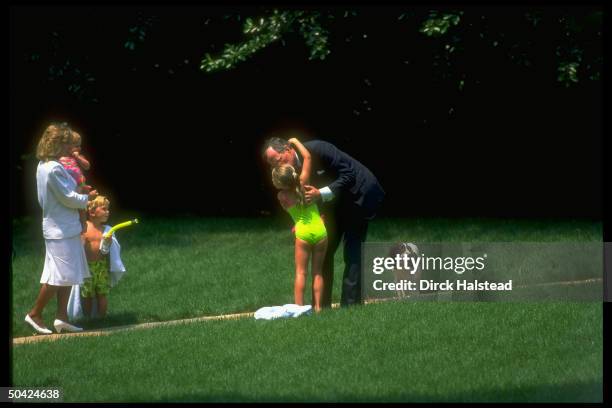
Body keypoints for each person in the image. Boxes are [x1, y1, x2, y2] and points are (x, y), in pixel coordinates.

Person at [263, 136, 385, 307]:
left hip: (359, 195)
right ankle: (320, 308)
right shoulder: (291, 173)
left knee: (353, 251)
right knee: (324, 253)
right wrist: (301, 221)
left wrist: (320, 194)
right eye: (272, 165)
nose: (277, 166)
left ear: (288, 150)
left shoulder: (319, 149)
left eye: (278, 160)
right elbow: (305, 199)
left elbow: (349, 174)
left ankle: (351, 306)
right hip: (334, 203)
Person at [25, 122, 98, 334]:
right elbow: (67, 198)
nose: (70, 148)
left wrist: (79, 192)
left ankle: (61, 317)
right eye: (66, 143)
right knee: (58, 276)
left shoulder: (46, 165)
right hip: (60, 230)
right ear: (57, 144)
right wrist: (88, 199)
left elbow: (64, 193)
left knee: (67, 273)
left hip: (64, 227)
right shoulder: (53, 168)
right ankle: (35, 314)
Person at [271, 138, 327, 312]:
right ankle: (318, 308)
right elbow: (307, 157)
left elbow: (295, 212)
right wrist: (294, 141)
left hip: (302, 233)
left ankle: (299, 309)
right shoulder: (304, 181)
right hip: (320, 230)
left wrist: (297, 224)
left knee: (301, 273)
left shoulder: (282, 197)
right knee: (317, 272)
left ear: (279, 183)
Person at [58, 130, 91, 233]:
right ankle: (77, 225)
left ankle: (83, 224)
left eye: (80, 145)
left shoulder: (78, 157)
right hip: (70, 186)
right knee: (74, 205)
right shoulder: (59, 158)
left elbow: (87, 166)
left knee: (82, 206)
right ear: (67, 146)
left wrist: (77, 157)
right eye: (76, 145)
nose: (79, 148)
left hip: (81, 184)